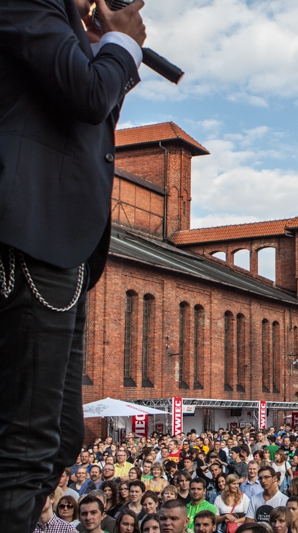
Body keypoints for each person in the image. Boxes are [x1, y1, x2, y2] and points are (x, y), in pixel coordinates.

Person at [0, 0, 145, 525]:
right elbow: (87, 96)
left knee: (61, 434)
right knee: (25, 442)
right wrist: (123, 45)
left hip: (68, 247)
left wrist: (99, 49)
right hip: (34, 234)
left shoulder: (55, 23)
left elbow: (89, 113)